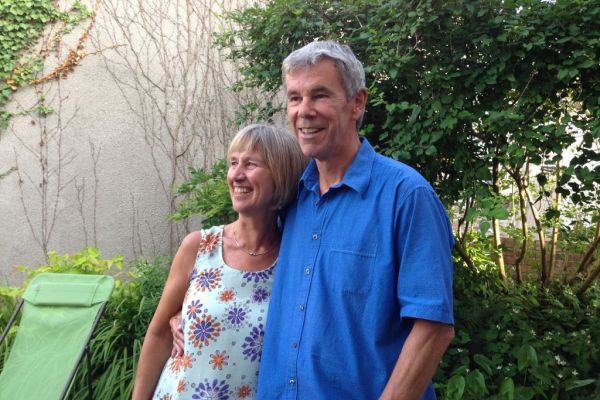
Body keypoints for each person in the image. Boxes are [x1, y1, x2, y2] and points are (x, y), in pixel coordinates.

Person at [255, 41, 455, 399]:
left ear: (357, 103)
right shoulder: (291, 197)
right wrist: (185, 315)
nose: (304, 111)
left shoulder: (406, 196)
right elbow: (251, 266)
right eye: (295, 97)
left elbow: (433, 328)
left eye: (320, 95)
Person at [132, 124, 307, 400]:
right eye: (233, 163)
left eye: (250, 164)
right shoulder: (199, 247)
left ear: (280, 175)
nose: (236, 175)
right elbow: (158, 336)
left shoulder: (297, 261)